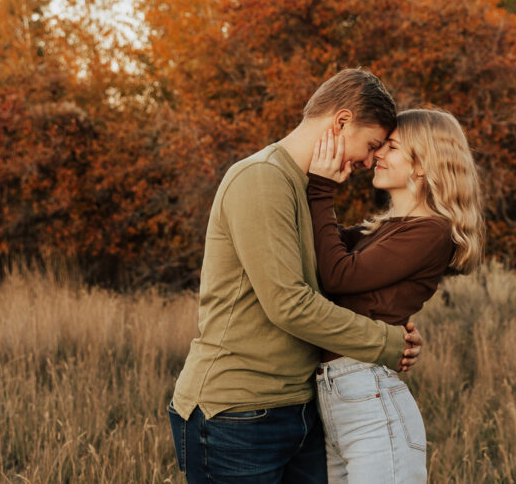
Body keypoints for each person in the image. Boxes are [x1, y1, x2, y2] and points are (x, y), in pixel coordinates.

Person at [168, 68, 424, 484]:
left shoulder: (303, 186)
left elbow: (331, 275)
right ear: (341, 122)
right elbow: (290, 305)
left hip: (298, 407)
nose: (367, 161)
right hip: (238, 414)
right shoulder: (261, 178)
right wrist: (385, 341)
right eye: (371, 144)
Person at [306, 108, 485, 483]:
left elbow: (337, 275)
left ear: (423, 166)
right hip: (339, 399)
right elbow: (322, 247)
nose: (377, 156)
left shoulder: (430, 232)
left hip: (370, 405)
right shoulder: (383, 229)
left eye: (392, 147)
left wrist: (321, 188)